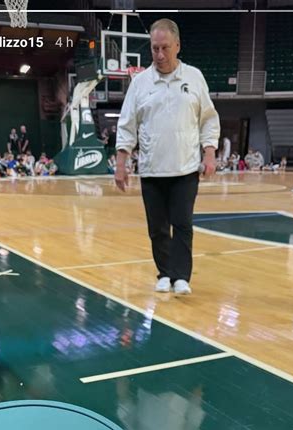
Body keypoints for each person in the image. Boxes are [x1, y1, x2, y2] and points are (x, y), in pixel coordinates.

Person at [114, 18, 219, 296]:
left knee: (182, 224)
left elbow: (208, 119)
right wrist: (121, 164)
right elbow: (127, 125)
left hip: (185, 168)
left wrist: (209, 152)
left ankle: (181, 276)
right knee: (157, 228)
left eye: (165, 48)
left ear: (177, 46)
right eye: (154, 49)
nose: (159, 55)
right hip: (151, 170)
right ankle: (164, 273)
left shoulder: (194, 77)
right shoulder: (140, 83)